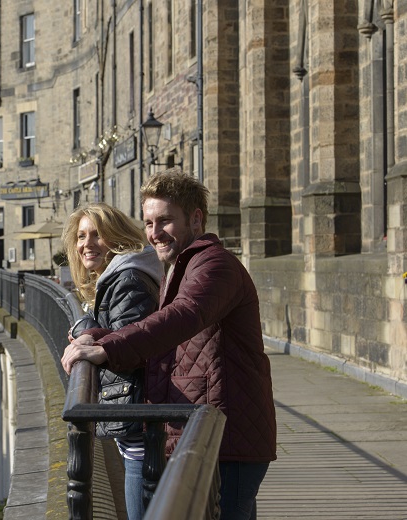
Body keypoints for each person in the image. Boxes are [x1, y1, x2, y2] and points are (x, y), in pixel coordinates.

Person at [61, 171, 277, 520]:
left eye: (165, 220)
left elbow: (185, 315)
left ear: (195, 219)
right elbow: (163, 340)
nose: (154, 232)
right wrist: (101, 336)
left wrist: (110, 348)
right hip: (206, 431)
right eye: (148, 222)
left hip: (228, 437)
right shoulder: (182, 267)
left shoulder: (215, 265)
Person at [61, 202, 163, 520]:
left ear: (116, 238)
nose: (86, 244)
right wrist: (92, 330)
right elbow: (124, 331)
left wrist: (92, 337)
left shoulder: (128, 279)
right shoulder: (119, 277)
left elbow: (129, 348)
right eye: (80, 236)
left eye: (96, 235)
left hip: (140, 425)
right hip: (135, 420)